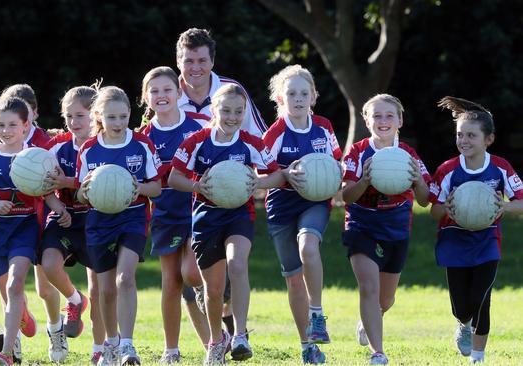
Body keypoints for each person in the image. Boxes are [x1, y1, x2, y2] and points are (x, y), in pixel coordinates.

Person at [169, 84, 284, 365]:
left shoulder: (251, 143)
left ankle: (241, 334)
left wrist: (259, 182)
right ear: (213, 110)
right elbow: (174, 179)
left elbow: (278, 176)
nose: (232, 117)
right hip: (206, 218)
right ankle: (216, 341)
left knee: (238, 263)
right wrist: (198, 185)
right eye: (226, 110)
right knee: (214, 290)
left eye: (238, 111)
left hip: (238, 215)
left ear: (244, 114)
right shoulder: (197, 141)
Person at [0, 96, 72, 365]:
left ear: (26, 126)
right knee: (9, 294)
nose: (6, 130)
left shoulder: (36, 156)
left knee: (15, 285)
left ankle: (8, 353)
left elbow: (47, 193)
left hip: (25, 227)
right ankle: (21, 318)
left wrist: (61, 211)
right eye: (1, 124)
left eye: (12, 124)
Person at [430, 97, 523, 364]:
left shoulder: (500, 168)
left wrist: (504, 207)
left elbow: (521, 201)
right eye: (460, 135)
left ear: (488, 139)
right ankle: (463, 324)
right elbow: (434, 210)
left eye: (471, 135)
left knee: (482, 298)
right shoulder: (448, 170)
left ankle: (478, 357)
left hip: (487, 241)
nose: (464, 140)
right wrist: (446, 207)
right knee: (462, 307)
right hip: (454, 240)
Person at [340, 94, 430, 365]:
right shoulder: (357, 152)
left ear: (399, 120)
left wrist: (416, 179)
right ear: (366, 121)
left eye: (389, 115)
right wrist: (365, 179)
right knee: (368, 287)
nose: (383, 121)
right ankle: (378, 353)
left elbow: (425, 200)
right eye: (376, 116)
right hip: (362, 226)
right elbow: (346, 196)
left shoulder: (409, 156)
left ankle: (367, 321)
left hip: (396, 229)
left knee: (386, 299)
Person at [75, 86, 161, 366]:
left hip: (133, 219)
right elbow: (79, 193)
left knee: (125, 278)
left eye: (123, 117)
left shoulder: (141, 145)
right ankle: (110, 344)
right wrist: (85, 192)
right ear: (99, 116)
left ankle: (128, 345)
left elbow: (157, 188)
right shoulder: (89, 149)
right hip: (99, 223)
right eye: (112, 117)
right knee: (105, 291)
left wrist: (139, 187)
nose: (118, 123)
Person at [262, 65, 342, 364]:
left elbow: (337, 165)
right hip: (281, 206)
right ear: (280, 99)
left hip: (315, 202)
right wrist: (284, 174)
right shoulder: (276, 132)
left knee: (308, 246)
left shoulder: (323, 126)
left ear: (313, 97)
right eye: (291, 93)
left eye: (304, 93)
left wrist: (334, 177)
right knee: (294, 280)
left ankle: (317, 313)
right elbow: (262, 173)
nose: (298, 98)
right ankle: (307, 345)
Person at [138, 66, 209, 363]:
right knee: (171, 282)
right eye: (154, 91)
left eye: (167, 89)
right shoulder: (142, 137)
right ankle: (171, 349)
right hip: (165, 215)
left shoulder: (199, 126)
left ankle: (217, 319)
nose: (161, 95)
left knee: (191, 273)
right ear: (146, 97)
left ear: (179, 93)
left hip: (199, 210)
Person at [39, 86, 101, 362]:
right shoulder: (56, 147)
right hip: (63, 217)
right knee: (49, 264)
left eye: (80, 115)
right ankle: (75, 299)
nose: (74, 122)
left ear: (95, 115)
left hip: (97, 220)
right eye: (69, 116)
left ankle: (101, 348)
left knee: (99, 288)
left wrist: (69, 183)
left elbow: (104, 185)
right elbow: (41, 185)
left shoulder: (106, 145)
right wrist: (57, 206)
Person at [175, 28, 267, 138]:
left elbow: (261, 137)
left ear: (212, 61)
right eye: (189, 61)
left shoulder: (234, 90)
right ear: (178, 62)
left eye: (202, 61)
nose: (195, 68)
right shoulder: (165, 94)